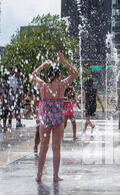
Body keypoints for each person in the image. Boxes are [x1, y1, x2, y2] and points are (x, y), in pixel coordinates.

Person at [31, 52, 78, 182]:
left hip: (45, 119)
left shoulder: (42, 86)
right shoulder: (61, 86)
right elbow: (75, 73)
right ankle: (55, 176)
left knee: (43, 148)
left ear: (47, 76)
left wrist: (43, 64)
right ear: (58, 75)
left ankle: (39, 175)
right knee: (56, 148)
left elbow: (33, 75)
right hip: (58, 119)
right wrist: (63, 61)